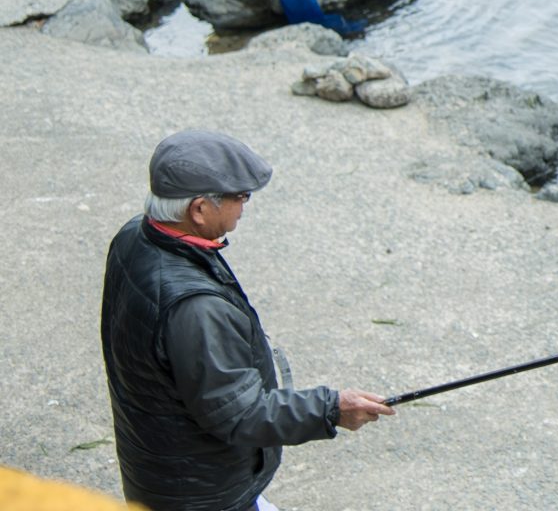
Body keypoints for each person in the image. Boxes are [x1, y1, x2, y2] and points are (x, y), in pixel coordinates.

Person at [99, 130, 394, 511]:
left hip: (161, 468)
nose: (244, 206)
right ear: (199, 209)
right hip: (202, 494)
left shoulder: (134, 237)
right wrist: (332, 408)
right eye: (240, 197)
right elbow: (239, 413)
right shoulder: (197, 308)